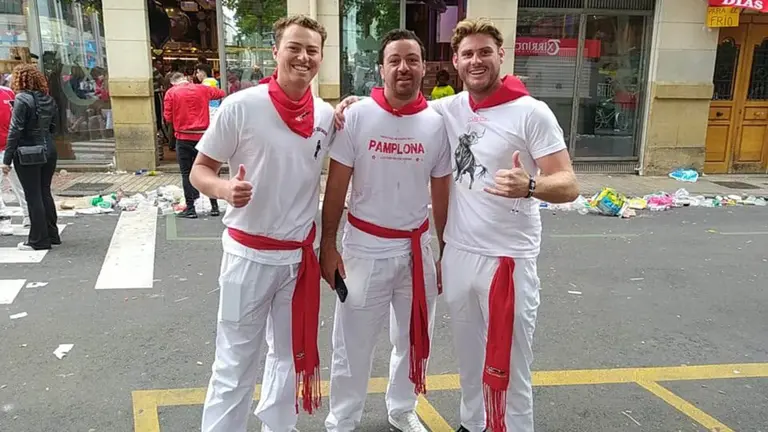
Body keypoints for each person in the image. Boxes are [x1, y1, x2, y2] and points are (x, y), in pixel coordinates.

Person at [334, 18, 579, 432]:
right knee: (469, 356)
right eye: (467, 53)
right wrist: (352, 103)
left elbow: (569, 184)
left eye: (485, 52)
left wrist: (531, 185)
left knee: (512, 360)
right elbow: (399, 106)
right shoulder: (447, 110)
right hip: (460, 254)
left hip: (508, 258)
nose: (476, 60)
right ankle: (474, 423)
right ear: (455, 61)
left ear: (502, 55)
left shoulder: (532, 113)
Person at [190, 15, 335, 432]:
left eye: (312, 50)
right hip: (247, 258)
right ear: (275, 52)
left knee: (288, 356)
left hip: (296, 261)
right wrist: (222, 190)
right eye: (294, 47)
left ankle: (279, 426)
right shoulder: (241, 106)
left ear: (321, 57)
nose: (303, 57)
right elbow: (199, 170)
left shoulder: (325, 115)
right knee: (235, 359)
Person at [321, 29, 452, 432]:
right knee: (352, 343)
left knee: (413, 340)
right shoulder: (357, 116)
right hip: (364, 248)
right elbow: (336, 184)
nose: (403, 68)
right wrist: (327, 243)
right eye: (394, 60)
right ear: (381, 68)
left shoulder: (436, 123)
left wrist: (443, 253)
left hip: (416, 249)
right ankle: (342, 418)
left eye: (412, 60)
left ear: (424, 68)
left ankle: (401, 408)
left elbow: (441, 190)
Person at [1, 64, 60, 251]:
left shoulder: (21, 99)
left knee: (33, 195)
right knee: (44, 192)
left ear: (20, 79)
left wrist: (7, 160)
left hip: (27, 152)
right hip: (49, 149)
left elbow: (15, 130)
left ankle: (38, 240)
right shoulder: (49, 99)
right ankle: (52, 234)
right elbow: (53, 128)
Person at [163, 70, 225, 218]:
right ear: (186, 79)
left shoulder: (171, 93)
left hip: (183, 137)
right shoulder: (202, 89)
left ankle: (191, 209)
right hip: (204, 137)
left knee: (186, 173)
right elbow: (220, 93)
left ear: (172, 82)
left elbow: (168, 117)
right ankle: (214, 206)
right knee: (210, 170)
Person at [0, 81, 29, 227]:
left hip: (11, 146)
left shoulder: (8, 93)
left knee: (20, 184)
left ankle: (28, 215)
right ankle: (3, 217)